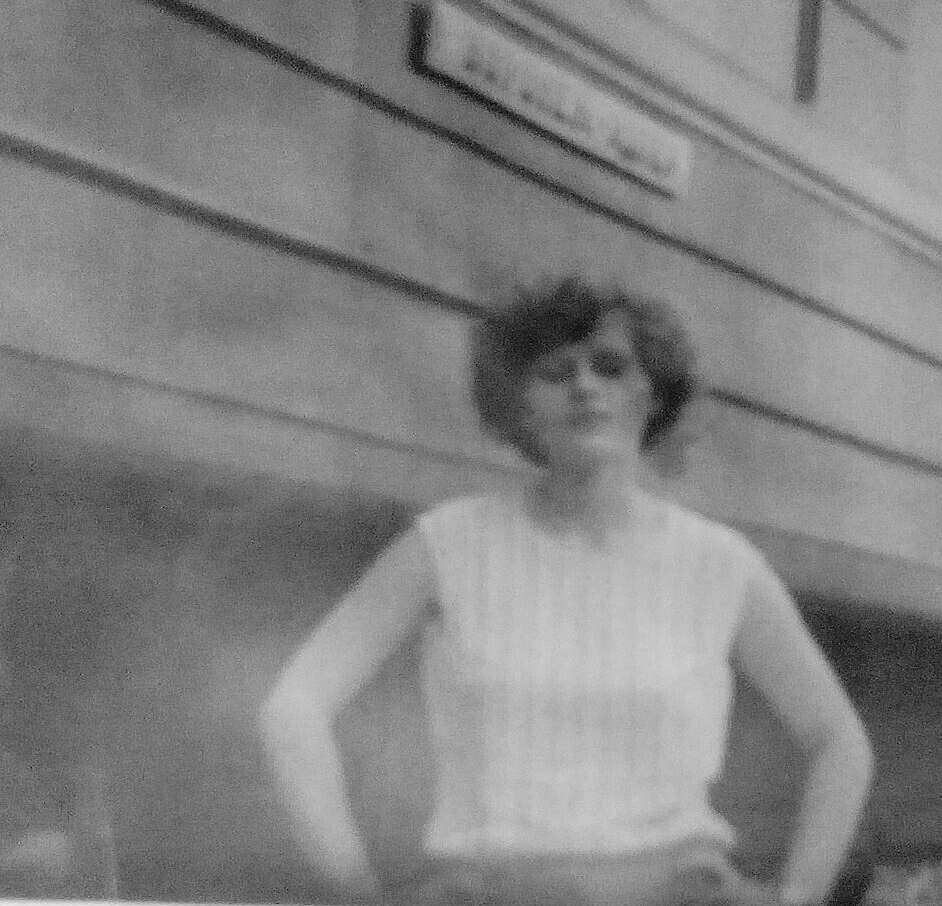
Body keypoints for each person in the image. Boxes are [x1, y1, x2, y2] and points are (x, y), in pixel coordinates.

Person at [258, 276, 874, 906]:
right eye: (555, 372)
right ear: (521, 406)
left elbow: (839, 739)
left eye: (611, 367)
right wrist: (352, 888)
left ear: (652, 394)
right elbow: (294, 707)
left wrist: (797, 896)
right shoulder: (447, 546)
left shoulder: (721, 564)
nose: (584, 386)